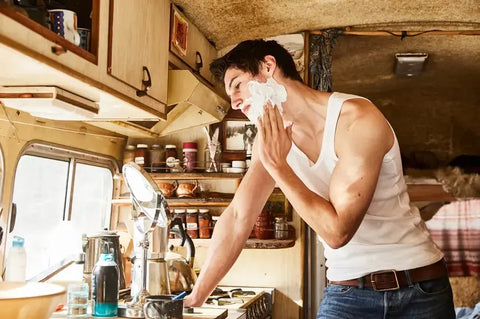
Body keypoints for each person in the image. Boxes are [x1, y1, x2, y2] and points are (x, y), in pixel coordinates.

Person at [184, 39, 455, 318]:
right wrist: (197, 295)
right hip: (347, 290)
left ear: (268, 66)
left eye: (237, 85)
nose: (235, 102)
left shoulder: (357, 119)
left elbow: (338, 232)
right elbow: (239, 215)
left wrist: (279, 167)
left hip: (420, 289)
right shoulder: (269, 141)